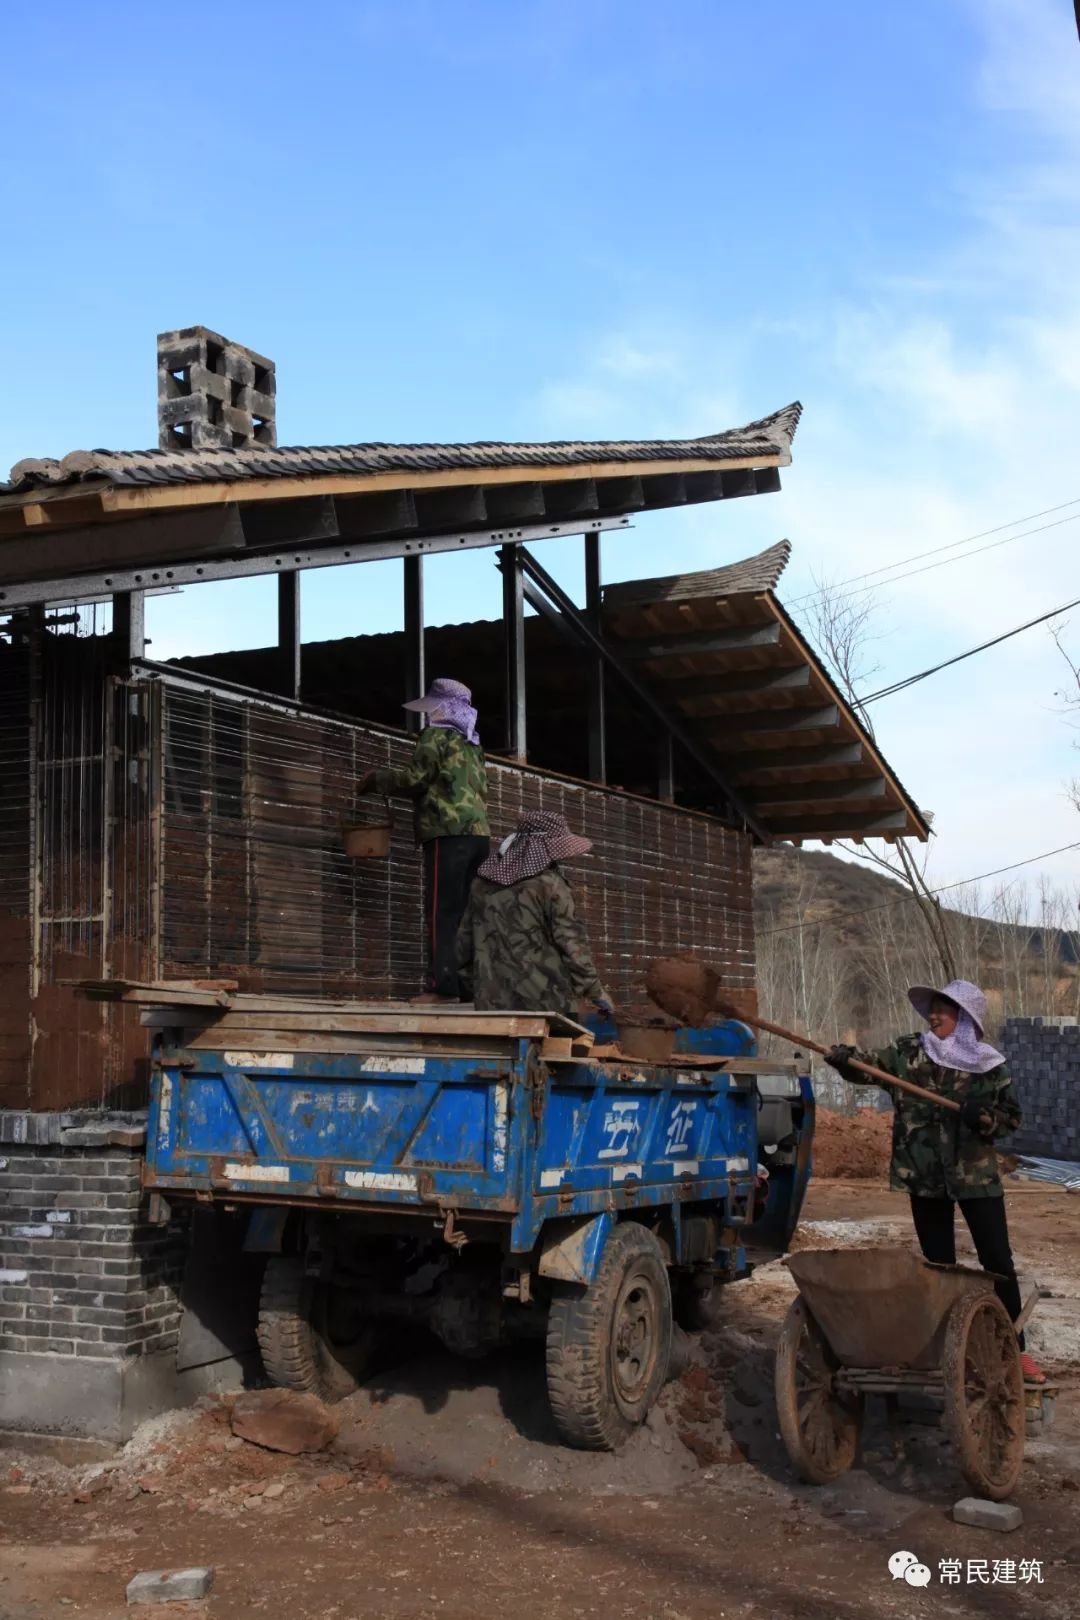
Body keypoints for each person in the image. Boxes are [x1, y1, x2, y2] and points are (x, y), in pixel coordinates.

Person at [825, 978, 1045, 1382]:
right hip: (924, 1175)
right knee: (939, 1265)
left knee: (997, 1260)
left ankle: (1016, 1347)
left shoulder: (989, 1067)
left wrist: (983, 1116)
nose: (934, 1015)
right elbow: (867, 1067)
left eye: (944, 1009)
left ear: (965, 1018)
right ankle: (950, 1349)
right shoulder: (910, 1053)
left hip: (974, 1176)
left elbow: (1010, 1119)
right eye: (933, 1008)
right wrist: (844, 1059)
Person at [358, 677, 489, 1001]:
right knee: (465, 914)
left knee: (441, 913)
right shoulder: (473, 745)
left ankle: (442, 988)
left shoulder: (436, 736)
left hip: (446, 833)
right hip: (479, 837)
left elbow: (415, 778)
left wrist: (378, 779)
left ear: (443, 707)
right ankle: (468, 988)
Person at [456, 809, 614, 1021]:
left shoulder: (481, 885)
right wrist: (595, 991)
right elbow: (572, 945)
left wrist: (481, 988)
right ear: (545, 848)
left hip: (492, 1009)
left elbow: (462, 949)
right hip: (549, 1008)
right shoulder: (550, 885)